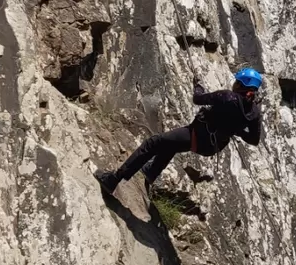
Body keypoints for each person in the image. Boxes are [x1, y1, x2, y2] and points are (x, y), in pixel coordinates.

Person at [98, 68, 264, 195]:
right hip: (211, 146)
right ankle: (151, 172)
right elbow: (254, 140)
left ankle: (114, 179)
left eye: (236, 82)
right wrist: (236, 130)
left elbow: (198, 98)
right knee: (171, 145)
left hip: (197, 136)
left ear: (241, 85)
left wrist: (197, 86)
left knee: (153, 142)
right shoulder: (254, 112)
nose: (233, 84)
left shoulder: (227, 97)